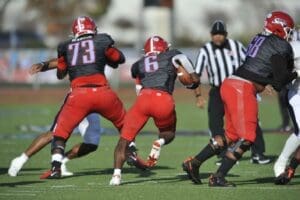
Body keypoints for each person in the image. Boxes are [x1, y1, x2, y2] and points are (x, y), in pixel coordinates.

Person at [182, 11, 297, 187]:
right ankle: (218, 176)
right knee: (248, 137)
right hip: (242, 88)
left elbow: (270, 75)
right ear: (279, 27)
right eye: (288, 29)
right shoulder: (278, 44)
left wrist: (269, 81)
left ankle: (194, 162)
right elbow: (280, 81)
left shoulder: (259, 38)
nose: (289, 33)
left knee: (231, 135)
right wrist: (296, 73)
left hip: (231, 83)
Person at [39, 16, 128, 179]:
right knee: (126, 124)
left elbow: (60, 73)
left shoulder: (66, 46)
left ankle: (56, 167)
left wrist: (57, 64)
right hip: (102, 92)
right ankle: (132, 153)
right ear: (93, 29)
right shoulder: (102, 40)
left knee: (60, 134)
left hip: (78, 96)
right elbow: (119, 59)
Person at [109, 35, 200, 186]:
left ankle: (116, 176)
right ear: (164, 48)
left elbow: (138, 89)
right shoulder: (171, 54)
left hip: (143, 99)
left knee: (124, 141)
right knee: (169, 133)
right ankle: (159, 141)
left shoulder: (138, 64)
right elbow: (183, 60)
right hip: (163, 99)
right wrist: (194, 76)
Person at [192, 20, 270, 165]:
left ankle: (258, 153)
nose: (218, 37)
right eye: (215, 34)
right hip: (217, 90)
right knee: (215, 123)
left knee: (251, 120)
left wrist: (262, 82)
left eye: (221, 34)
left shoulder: (236, 46)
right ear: (211, 35)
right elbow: (196, 74)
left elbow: (251, 64)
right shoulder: (206, 50)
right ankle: (222, 154)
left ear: (226, 35)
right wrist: (198, 95)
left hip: (238, 89)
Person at [8, 60, 103, 177]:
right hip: (76, 99)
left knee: (92, 144)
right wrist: (43, 65)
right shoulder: (79, 50)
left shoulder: (99, 49)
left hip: (93, 101)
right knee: (54, 134)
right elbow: (60, 62)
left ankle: (61, 162)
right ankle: (20, 160)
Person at [274, 40, 300, 185]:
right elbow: (281, 71)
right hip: (297, 94)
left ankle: (291, 168)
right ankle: (281, 162)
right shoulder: (295, 47)